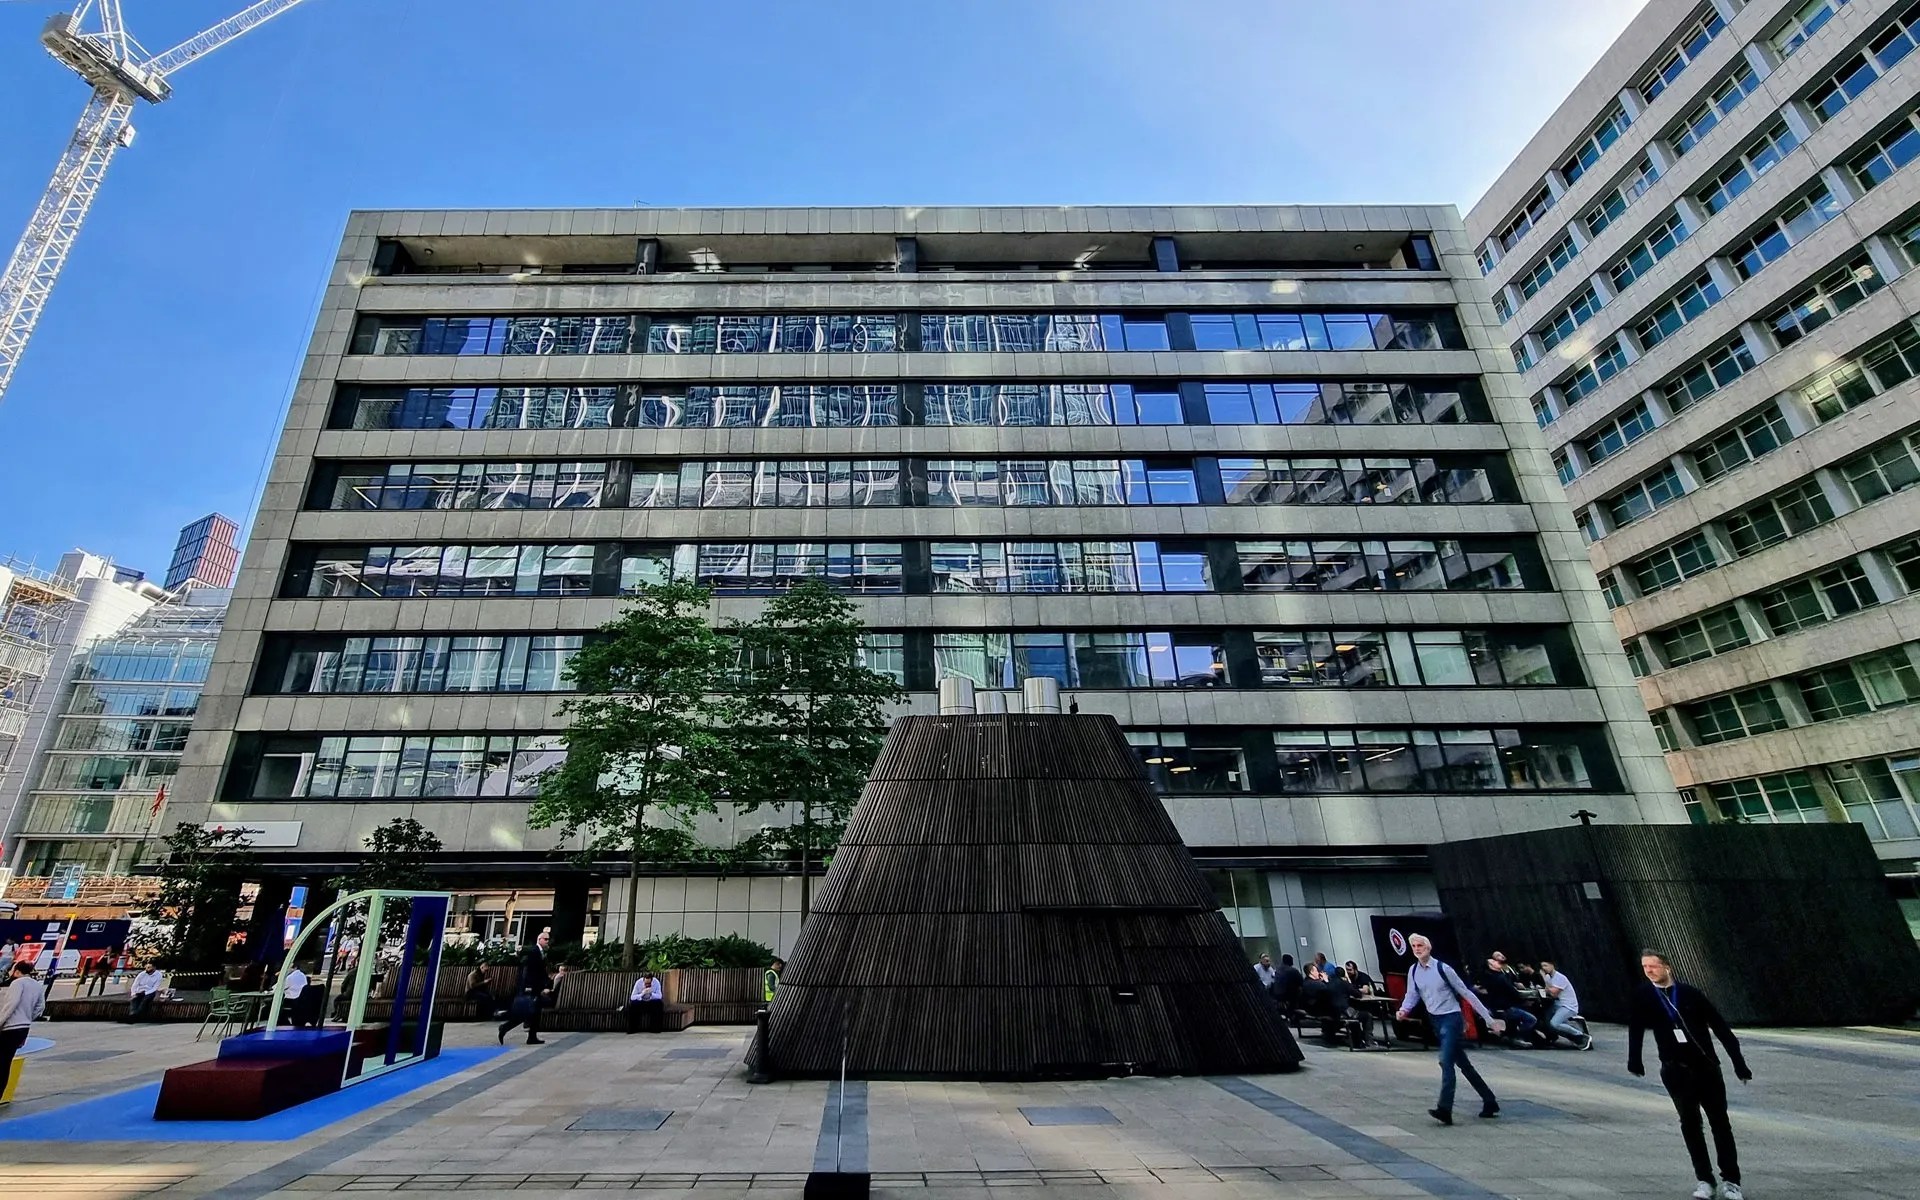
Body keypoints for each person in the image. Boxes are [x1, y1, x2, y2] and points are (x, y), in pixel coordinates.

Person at [1629, 950, 1751, 1200]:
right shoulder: (1644, 996)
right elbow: (1636, 1028)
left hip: (1705, 1067)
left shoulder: (1690, 994)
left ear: (1667, 967)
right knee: (1690, 1124)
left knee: (1719, 1122)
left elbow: (1720, 1028)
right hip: (1675, 1069)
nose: (1649, 971)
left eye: (1654, 966)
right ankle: (1705, 1179)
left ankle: (1731, 1180)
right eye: (1645, 967)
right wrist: (1635, 1059)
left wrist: (1739, 1063)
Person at [1395, 933, 1503, 1125]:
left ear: (1428, 948)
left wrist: (1488, 1019)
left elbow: (1465, 992)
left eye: (1420, 945)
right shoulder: (1413, 971)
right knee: (1463, 1064)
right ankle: (1489, 1100)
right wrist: (1404, 1009)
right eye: (1414, 946)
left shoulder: (1443, 969)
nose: (1417, 949)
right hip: (1435, 1020)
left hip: (1451, 1019)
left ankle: (1444, 1108)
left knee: (1446, 1061)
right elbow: (1412, 994)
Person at [0, 960, 48, 1097]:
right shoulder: (37, 985)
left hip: (10, 1027)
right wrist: (27, 1018)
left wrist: (1, 1022)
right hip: (23, 1027)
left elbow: (11, 1004)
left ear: (17, 971)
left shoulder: (17, 983)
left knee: (2, 1062)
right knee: (6, 1062)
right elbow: (40, 1007)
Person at [498, 930, 554, 1045]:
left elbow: (540, 971)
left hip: (536, 986)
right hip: (532, 987)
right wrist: (532, 987)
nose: (547, 942)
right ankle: (505, 1027)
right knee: (527, 1012)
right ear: (539, 940)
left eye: (548, 939)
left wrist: (547, 981)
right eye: (545, 939)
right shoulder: (535, 952)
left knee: (533, 1013)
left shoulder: (540, 952)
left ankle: (531, 1036)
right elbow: (531, 971)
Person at [1479, 955, 1539, 1045]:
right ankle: (1518, 1036)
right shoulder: (1500, 977)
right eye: (1493, 962)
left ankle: (1509, 1035)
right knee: (1531, 1019)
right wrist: (1523, 1000)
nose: (1496, 962)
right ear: (1491, 966)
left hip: (1498, 1006)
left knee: (1515, 1018)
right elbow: (1512, 992)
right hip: (1506, 1007)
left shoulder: (1493, 977)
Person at [1538, 958, 1593, 1050]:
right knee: (1547, 1021)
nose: (1544, 968)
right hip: (1557, 1004)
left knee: (1554, 1023)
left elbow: (1553, 992)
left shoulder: (1560, 977)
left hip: (1568, 1005)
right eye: (1542, 966)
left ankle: (1580, 1035)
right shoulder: (1548, 978)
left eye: (1546, 965)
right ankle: (1567, 1036)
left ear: (1552, 965)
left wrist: (1543, 980)